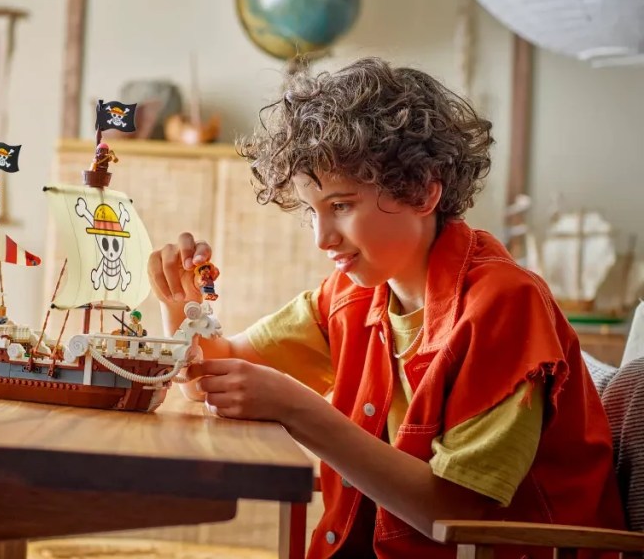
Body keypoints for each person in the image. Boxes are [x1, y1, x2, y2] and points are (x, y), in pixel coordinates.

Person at [147, 57, 624, 558]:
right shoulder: (352, 293)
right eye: (313, 211)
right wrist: (183, 307)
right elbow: (216, 377)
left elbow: (456, 516)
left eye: (342, 206)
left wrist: (297, 409)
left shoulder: (505, 304)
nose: (322, 238)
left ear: (422, 191)